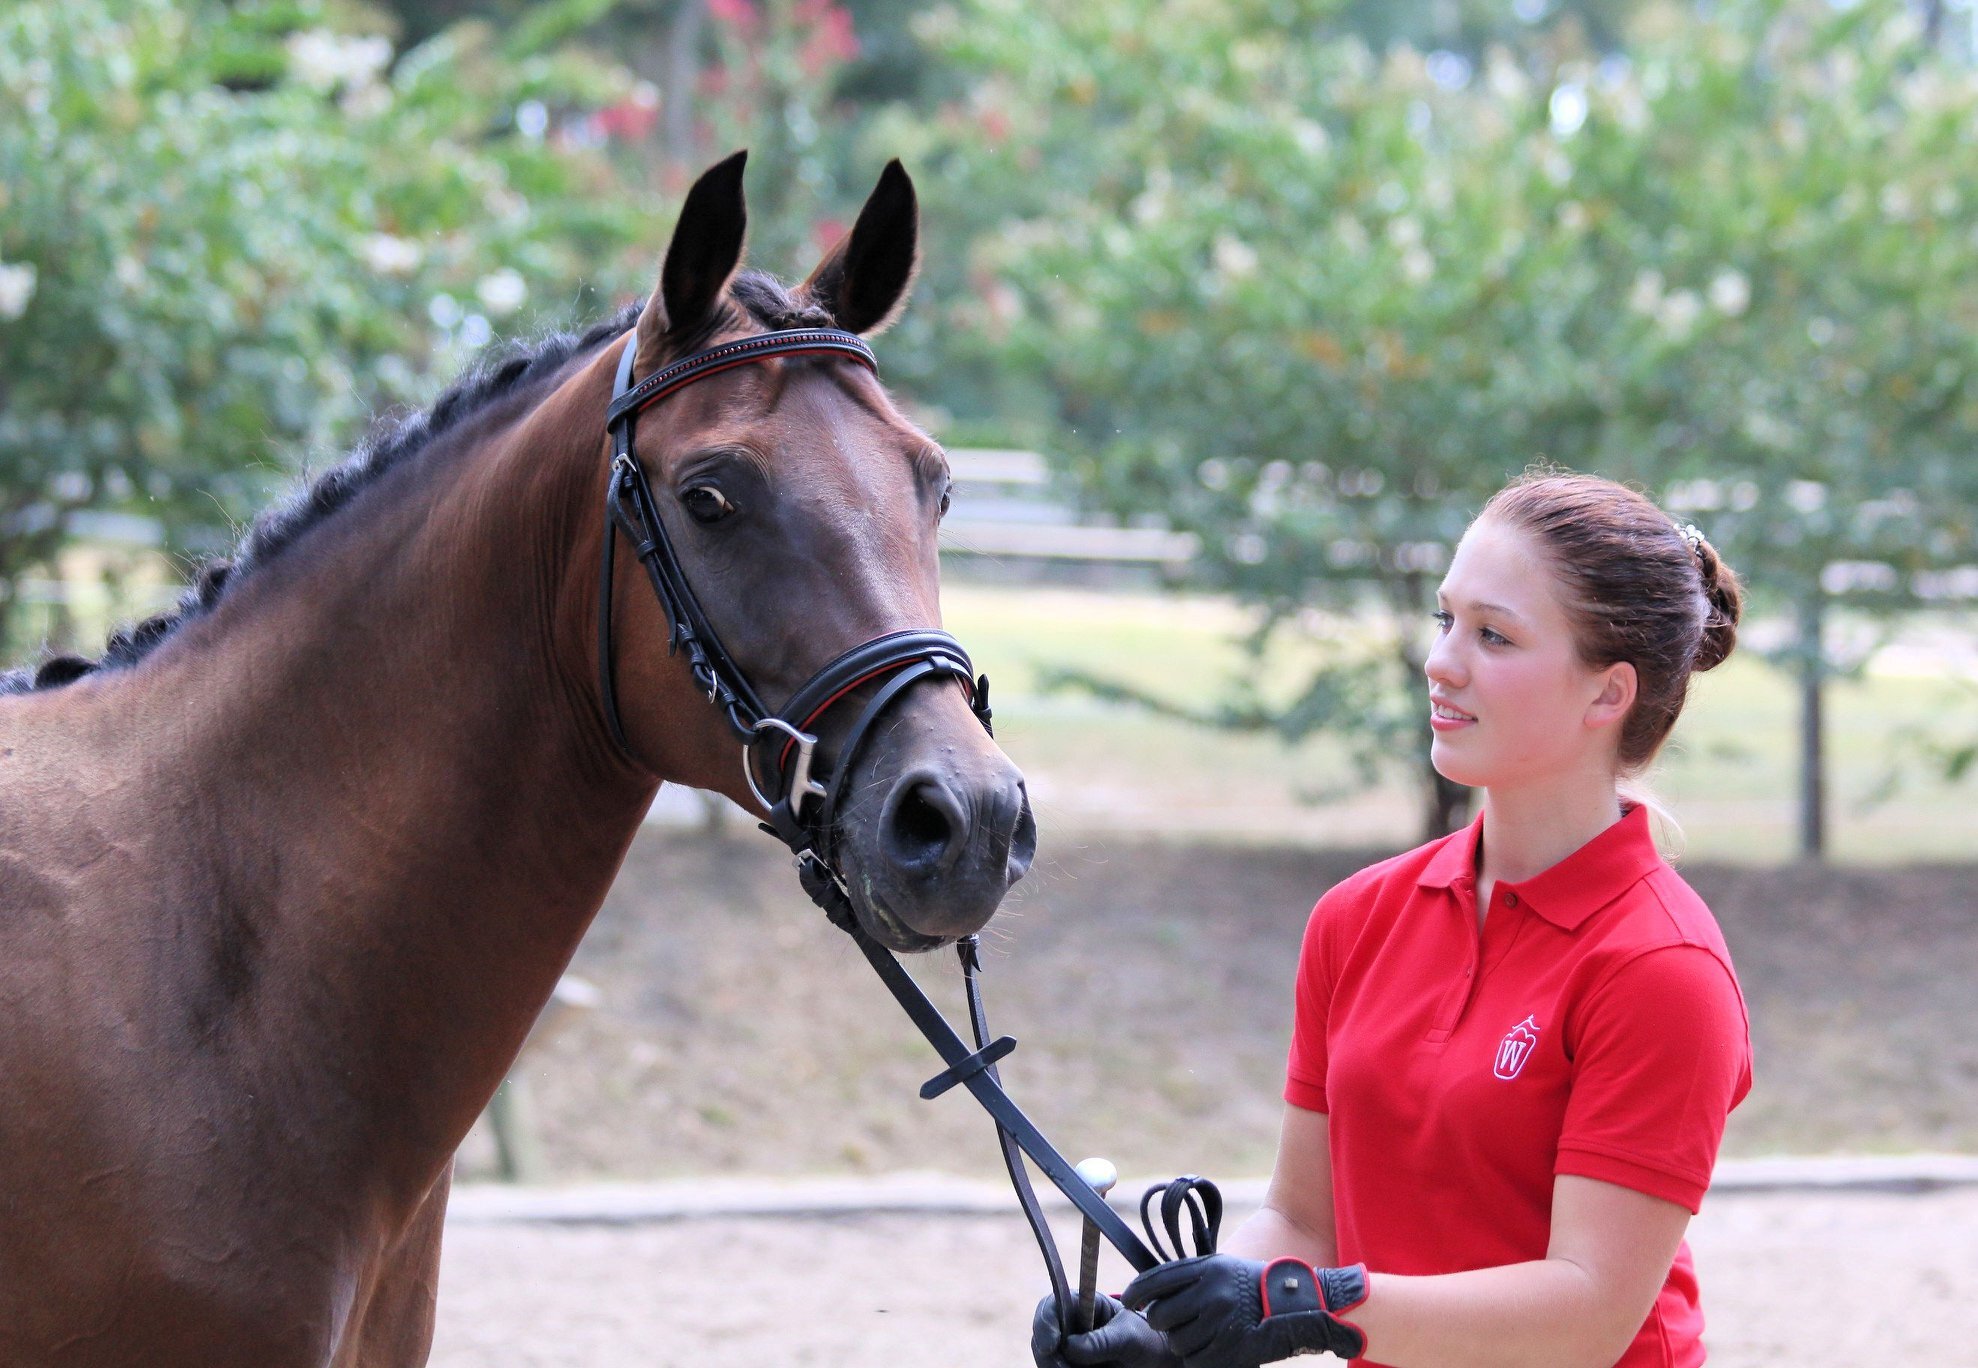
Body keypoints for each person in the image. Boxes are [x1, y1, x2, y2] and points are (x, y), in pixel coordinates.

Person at [1034, 471, 1754, 1368]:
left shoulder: (1663, 967)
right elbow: (1304, 1218)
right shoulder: (1357, 919)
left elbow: (1589, 1309)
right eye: (1444, 620)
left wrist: (1307, 1304)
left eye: (1493, 635)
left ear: (1606, 696)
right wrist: (1167, 1336)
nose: (1442, 660)